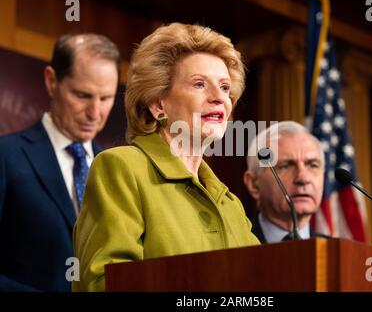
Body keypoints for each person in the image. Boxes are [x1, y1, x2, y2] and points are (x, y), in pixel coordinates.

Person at [73, 22, 260, 292]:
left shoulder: (230, 204)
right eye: (199, 84)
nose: (219, 98)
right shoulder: (121, 168)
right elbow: (105, 283)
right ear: (158, 103)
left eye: (224, 87)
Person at [0, 34, 120, 291]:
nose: (95, 113)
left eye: (106, 98)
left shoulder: (116, 173)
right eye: (83, 95)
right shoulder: (6, 156)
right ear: (52, 81)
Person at [243, 121, 328, 243]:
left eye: (312, 165)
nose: (303, 179)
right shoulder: (235, 245)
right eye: (286, 166)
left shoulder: (337, 252)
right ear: (254, 184)